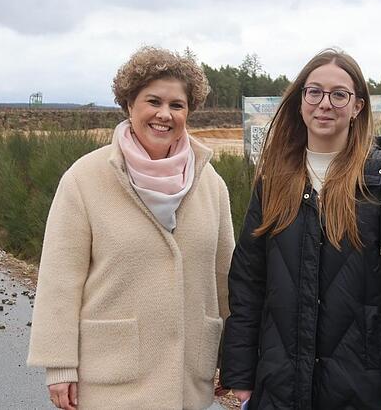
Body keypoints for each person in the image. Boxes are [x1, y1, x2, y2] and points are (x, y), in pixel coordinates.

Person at [221, 49, 381, 410]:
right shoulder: (273, 183)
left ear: (357, 107)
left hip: (360, 387)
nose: (325, 103)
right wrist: (240, 372)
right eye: (315, 92)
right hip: (280, 385)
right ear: (300, 101)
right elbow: (248, 281)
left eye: (339, 94)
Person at [27, 46, 235, 410]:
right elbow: (60, 278)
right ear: (129, 105)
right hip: (111, 380)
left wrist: (234, 355)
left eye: (177, 105)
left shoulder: (211, 183)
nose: (164, 114)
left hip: (190, 379)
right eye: (153, 101)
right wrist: (59, 364)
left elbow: (227, 276)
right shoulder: (84, 178)